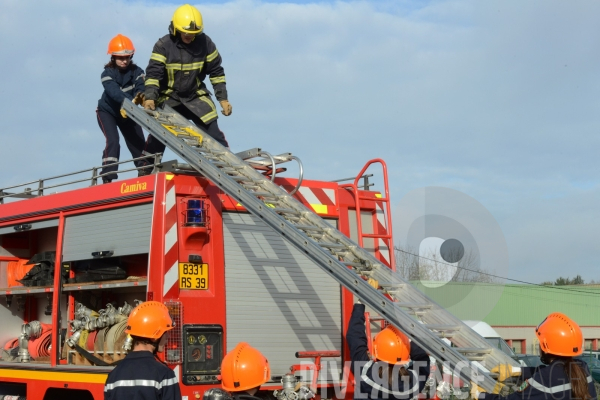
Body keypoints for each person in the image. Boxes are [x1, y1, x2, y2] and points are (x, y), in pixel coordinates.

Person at [143, 4, 231, 153]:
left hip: (195, 97)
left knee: (213, 132)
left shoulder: (206, 43)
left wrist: (223, 99)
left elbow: (216, 71)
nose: (190, 36)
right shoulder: (163, 45)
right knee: (159, 133)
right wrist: (150, 97)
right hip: (169, 97)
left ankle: (229, 164)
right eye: (186, 33)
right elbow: (153, 74)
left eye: (194, 33)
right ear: (175, 29)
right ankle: (146, 167)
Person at [472, 312, 596, 400]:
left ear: (546, 347)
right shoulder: (583, 368)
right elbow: (550, 373)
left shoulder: (544, 380)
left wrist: (480, 395)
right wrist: (516, 371)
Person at [347, 302, 431, 400]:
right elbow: (422, 360)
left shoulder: (365, 373)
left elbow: (355, 338)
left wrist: (359, 305)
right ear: (405, 353)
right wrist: (407, 341)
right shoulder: (413, 383)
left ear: (376, 349)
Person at [97, 34, 149, 184]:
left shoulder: (137, 71)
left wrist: (142, 95)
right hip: (108, 112)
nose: (124, 61)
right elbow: (114, 92)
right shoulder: (106, 74)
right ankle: (108, 176)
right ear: (113, 57)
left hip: (129, 112)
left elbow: (141, 85)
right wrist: (129, 102)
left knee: (138, 141)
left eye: (127, 57)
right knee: (113, 140)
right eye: (121, 58)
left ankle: (145, 172)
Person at [104, 301, 181, 400]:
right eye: (165, 332)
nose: (168, 337)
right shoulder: (164, 375)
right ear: (154, 337)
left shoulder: (113, 376)